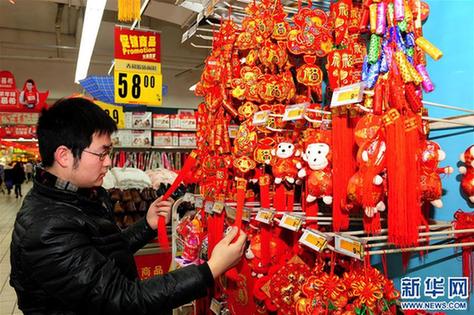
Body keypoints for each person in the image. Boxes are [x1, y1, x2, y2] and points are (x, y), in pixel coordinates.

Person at [10, 97, 247, 315]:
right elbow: (120, 298)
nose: (109, 162)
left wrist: (147, 225)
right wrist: (210, 269)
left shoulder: (78, 198)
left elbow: (104, 254)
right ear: (64, 156)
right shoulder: (47, 230)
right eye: (101, 153)